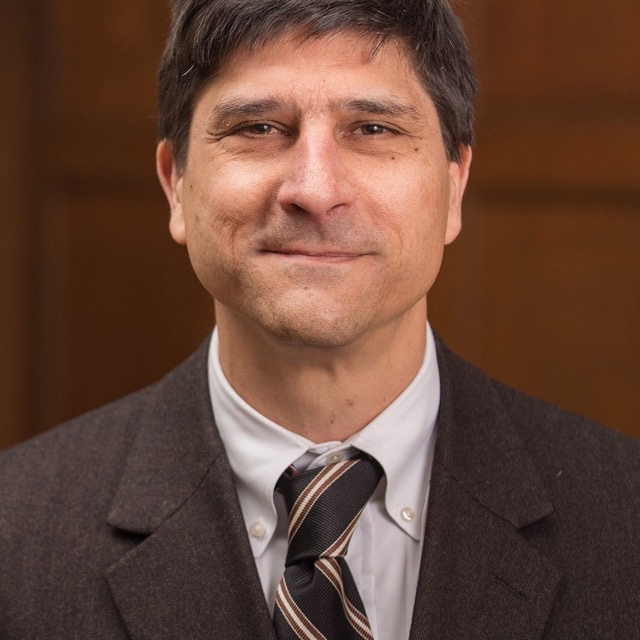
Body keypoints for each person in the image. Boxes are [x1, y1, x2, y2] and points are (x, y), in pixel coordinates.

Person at [1, 0, 639, 638]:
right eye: (258, 127)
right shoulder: (16, 534)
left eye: (372, 129)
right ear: (177, 187)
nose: (313, 187)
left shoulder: (625, 518)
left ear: (455, 187)